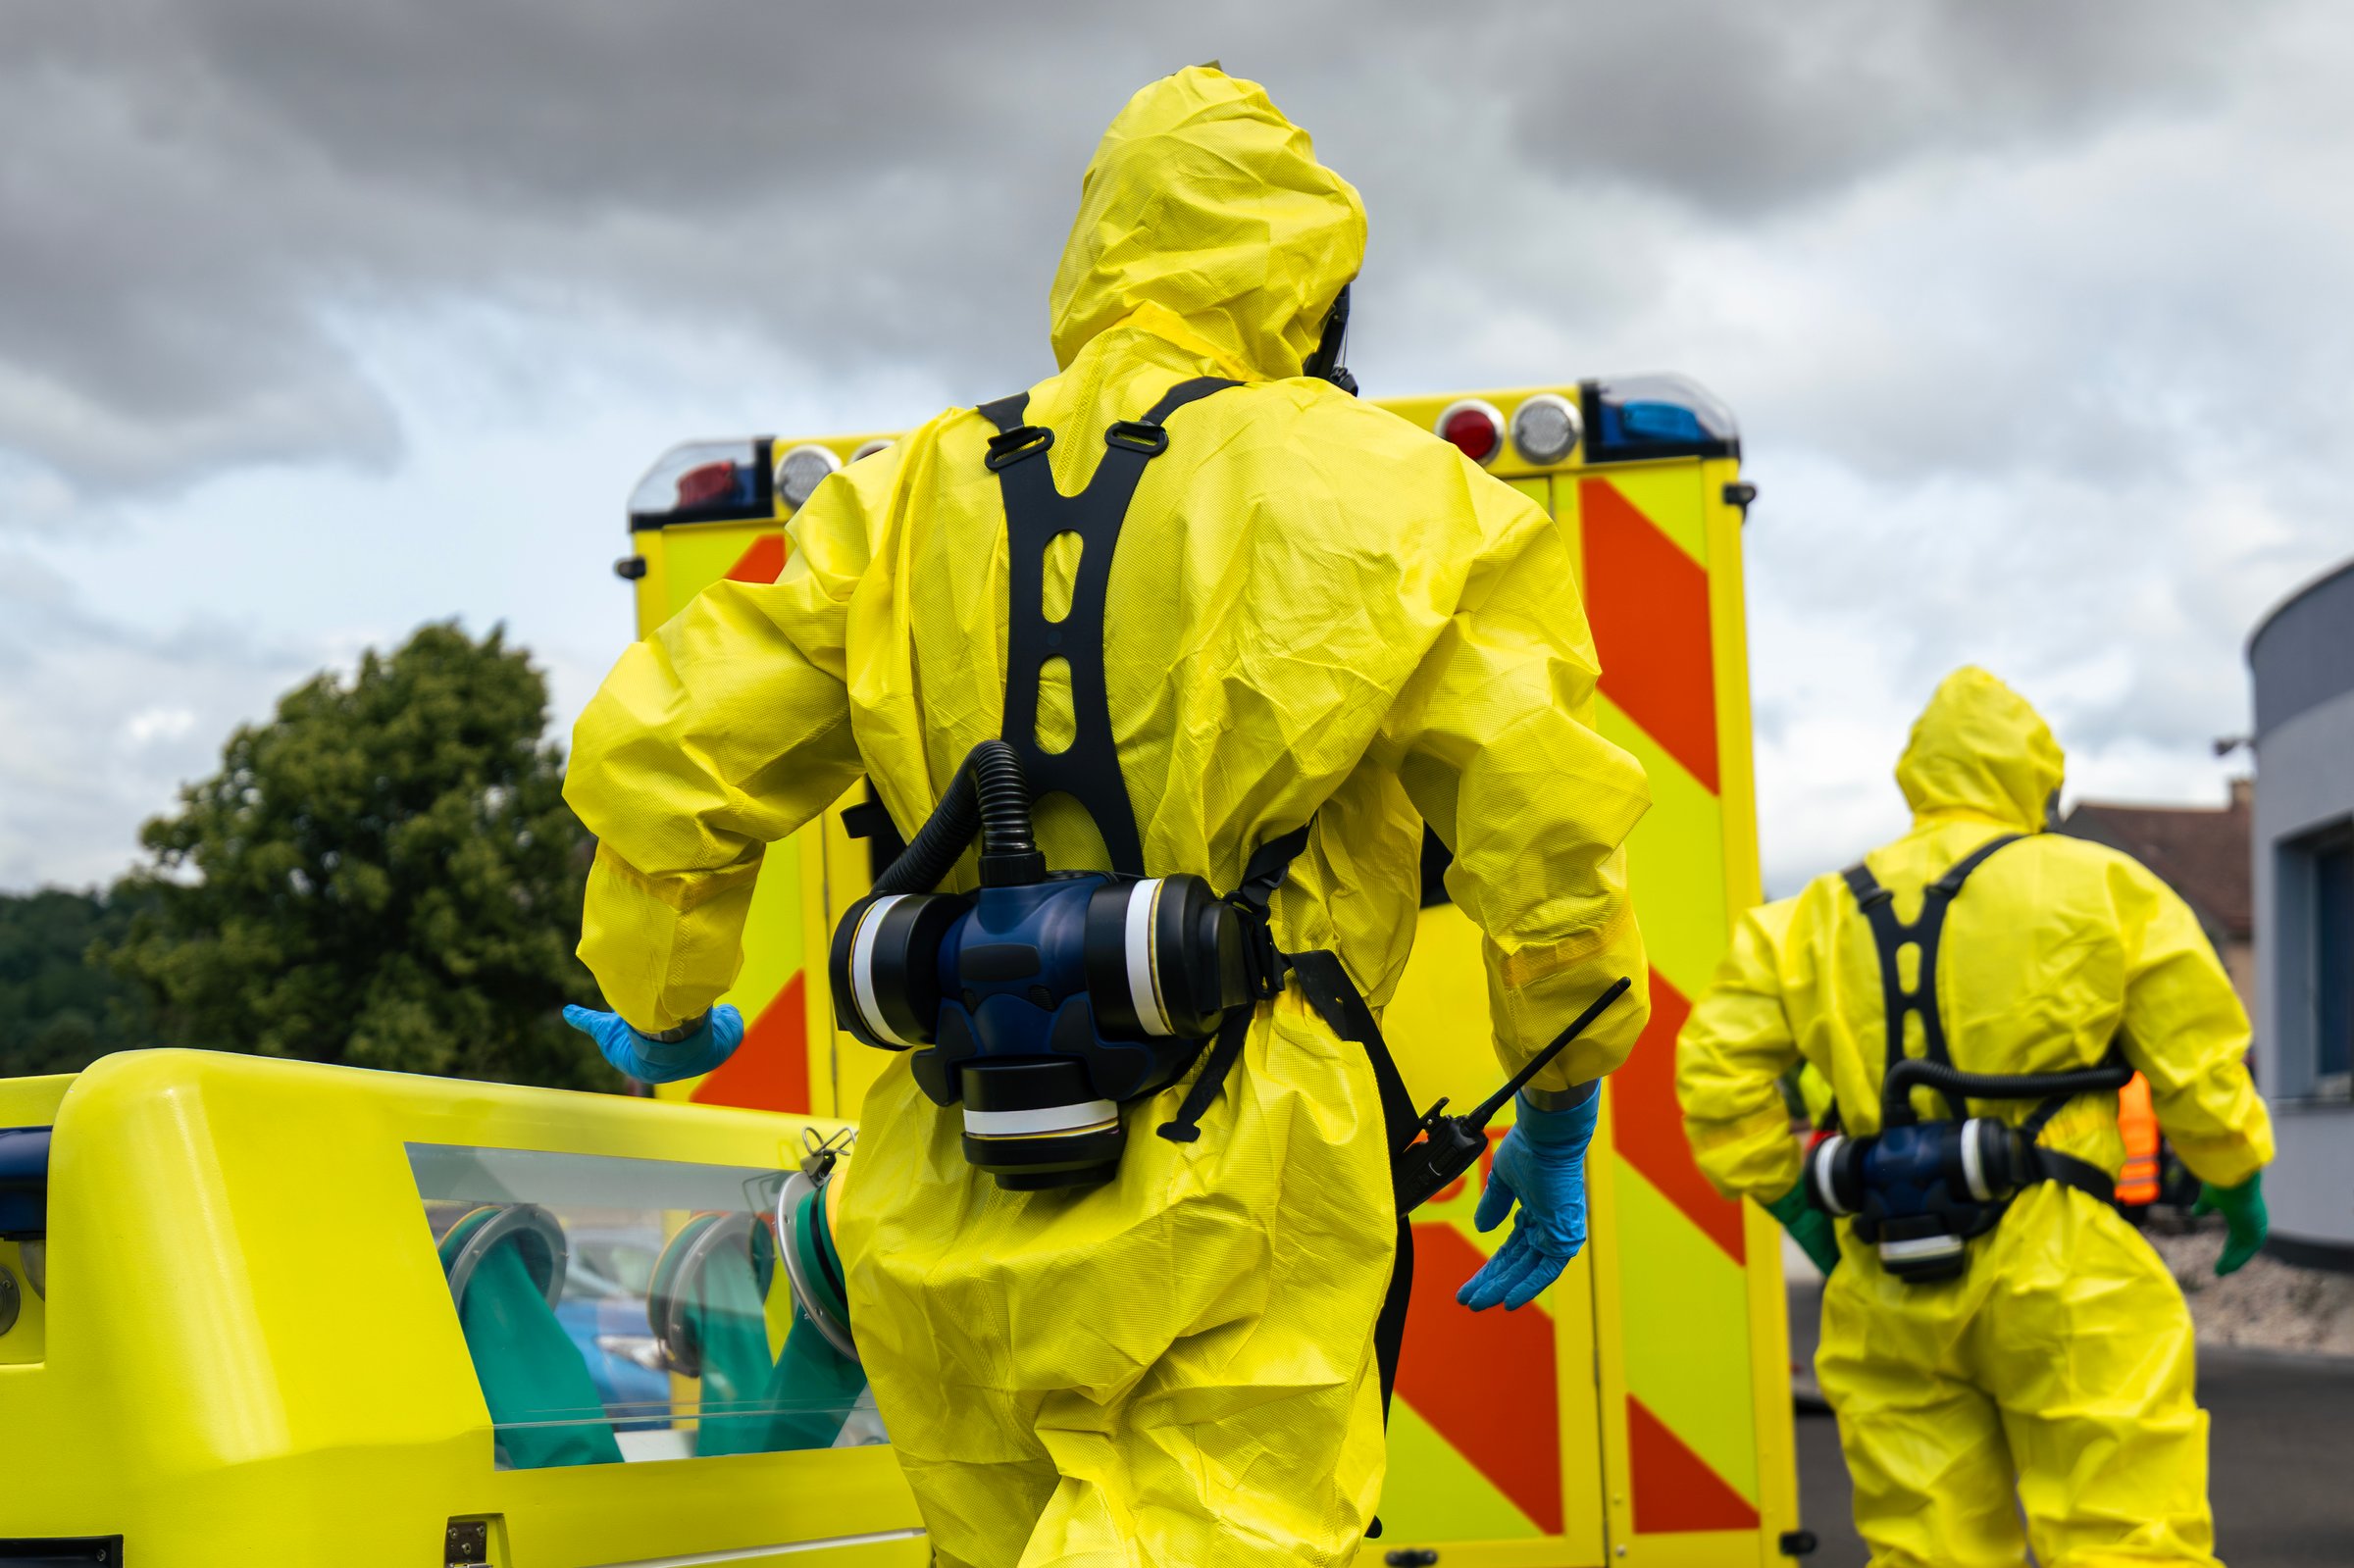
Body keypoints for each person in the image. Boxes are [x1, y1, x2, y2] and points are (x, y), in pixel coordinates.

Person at [559, 66, 1651, 1568]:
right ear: (1315, 279)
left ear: (1092, 255)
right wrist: (1559, 1110)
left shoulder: (898, 499)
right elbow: (1552, 850)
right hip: (1251, 1172)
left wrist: (669, 1007)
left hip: (949, 1182)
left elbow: (667, 762)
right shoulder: (1407, 503)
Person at [1677, 666, 2273, 1568]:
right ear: (2034, 773)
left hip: (1887, 1269)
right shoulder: (2108, 888)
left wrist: (1797, 1204)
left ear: (1918, 774)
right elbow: (2197, 1061)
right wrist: (2235, 1179)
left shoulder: (1804, 920)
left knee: (1927, 1547)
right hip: (2068, 1267)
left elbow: (1717, 1079)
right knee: (2128, 1537)